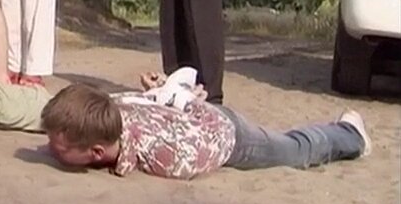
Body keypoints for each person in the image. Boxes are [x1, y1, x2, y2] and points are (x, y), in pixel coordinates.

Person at [41, 80, 371, 180]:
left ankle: (350, 132)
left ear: (97, 151)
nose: (50, 147)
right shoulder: (107, 109)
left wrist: (186, 99)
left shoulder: (169, 157)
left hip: (228, 133)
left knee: (296, 150)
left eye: (59, 146)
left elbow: (210, 143)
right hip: (182, 114)